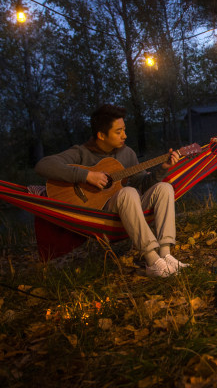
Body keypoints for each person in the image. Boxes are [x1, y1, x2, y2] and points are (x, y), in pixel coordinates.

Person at [36, 104, 187, 277]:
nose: (125, 135)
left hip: (129, 208)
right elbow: (43, 165)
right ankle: (152, 261)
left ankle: (166, 254)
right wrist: (86, 176)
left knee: (164, 188)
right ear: (101, 135)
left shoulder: (127, 153)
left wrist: (162, 169)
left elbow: (142, 184)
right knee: (128, 192)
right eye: (118, 131)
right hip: (100, 214)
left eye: (124, 129)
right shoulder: (81, 153)